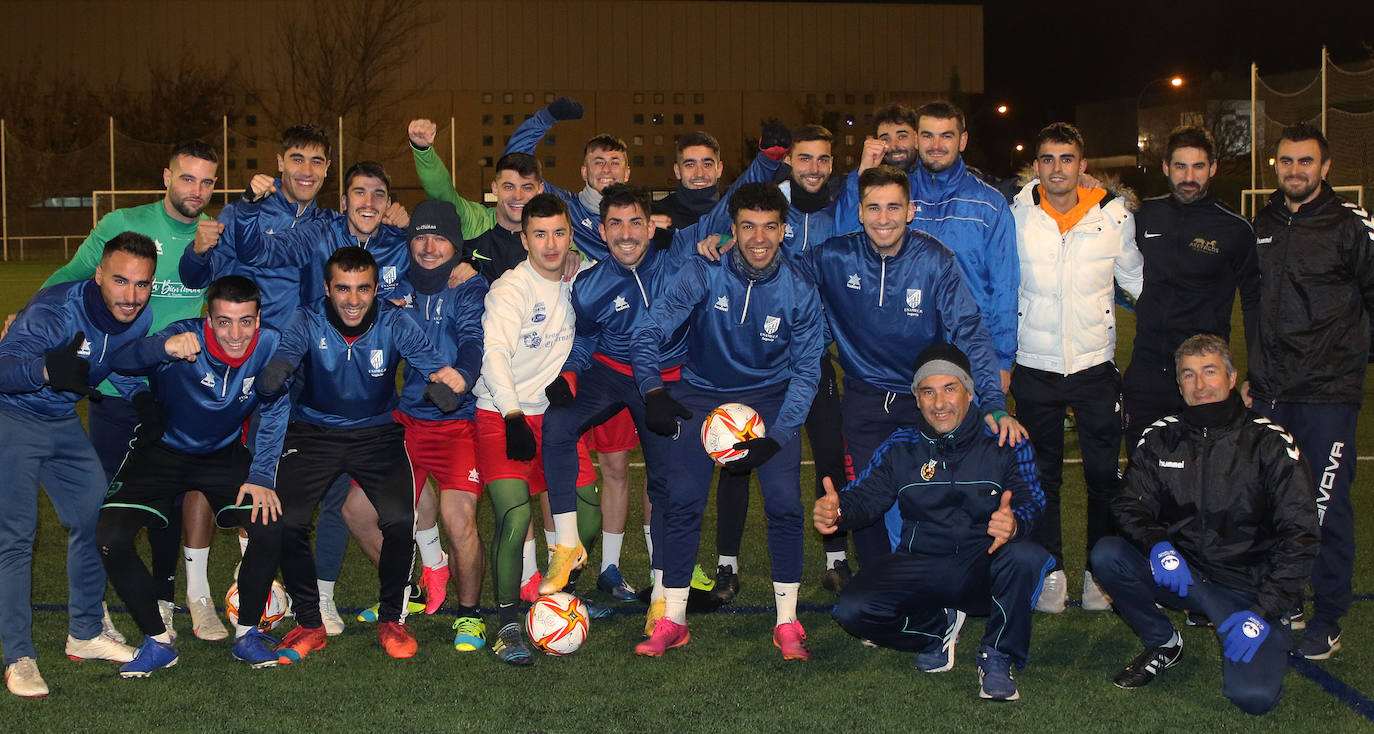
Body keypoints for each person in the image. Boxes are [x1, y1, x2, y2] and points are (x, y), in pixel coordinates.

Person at [631, 183, 825, 660]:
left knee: (784, 505)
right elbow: (649, 330)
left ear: (785, 230)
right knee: (682, 502)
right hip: (702, 393)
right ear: (732, 229)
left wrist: (778, 437)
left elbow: (807, 371)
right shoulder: (703, 270)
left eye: (770, 227)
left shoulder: (799, 290)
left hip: (770, 397)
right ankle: (672, 618)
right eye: (748, 226)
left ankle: (787, 622)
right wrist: (653, 389)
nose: (759, 238)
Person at [798, 165, 1022, 565]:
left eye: (893, 207)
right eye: (874, 208)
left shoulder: (935, 260)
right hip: (864, 400)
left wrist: (992, 401)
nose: (884, 218)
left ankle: (933, 591)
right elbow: (774, 273)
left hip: (923, 403)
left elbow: (969, 329)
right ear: (861, 212)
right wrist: (729, 242)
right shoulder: (833, 257)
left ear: (911, 210)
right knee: (864, 498)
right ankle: (879, 591)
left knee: (923, 500)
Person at [251, 246, 466, 663]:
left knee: (402, 519)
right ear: (328, 289)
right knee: (288, 519)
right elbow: (288, 353)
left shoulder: (394, 320)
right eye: (343, 289)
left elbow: (432, 362)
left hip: (377, 434)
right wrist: (277, 368)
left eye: (363, 289)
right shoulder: (307, 318)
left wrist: (446, 383)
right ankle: (310, 623)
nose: (353, 300)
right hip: (314, 432)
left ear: (374, 289)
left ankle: (393, 619)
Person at [41, 140, 219, 640]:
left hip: (177, 394)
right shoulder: (122, 224)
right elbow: (72, 276)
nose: (197, 191)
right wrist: (29, 317)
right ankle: (93, 612)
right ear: (167, 176)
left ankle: (164, 601)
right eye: (188, 178)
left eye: (207, 182)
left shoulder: (214, 236)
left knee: (169, 500)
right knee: (102, 502)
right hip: (117, 393)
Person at [1092, 334, 1317, 715]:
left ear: (1231, 378)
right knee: (1108, 554)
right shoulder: (1162, 436)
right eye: (1189, 375)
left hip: (1248, 589)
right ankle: (1163, 641)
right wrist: (1158, 545)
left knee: (1254, 699)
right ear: (1179, 385)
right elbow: (1128, 503)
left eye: (1209, 372)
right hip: (1185, 575)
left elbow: (1301, 535)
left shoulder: (1269, 443)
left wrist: (1264, 610)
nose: (1200, 385)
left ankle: (1260, 627)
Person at [233, 160, 410, 634]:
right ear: (344, 197)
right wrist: (248, 205)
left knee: (335, 502)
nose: (368, 203)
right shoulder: (317, 232)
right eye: (358, 193)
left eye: (378, 194)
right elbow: (257, 250)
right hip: (306, 385)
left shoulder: (399, 243)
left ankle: (324, 597)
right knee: (282, 498)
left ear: (388, 201)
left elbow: (419, 296)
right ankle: (267, 581)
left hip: (365, 399)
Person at [174, 123, 335, 642]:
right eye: (296, 159)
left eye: (316, 161)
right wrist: (217, 235)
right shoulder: (249, 211)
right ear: (280, 163)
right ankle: (202, 593)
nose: (306, 170)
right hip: (240, 366)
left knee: (301, 478)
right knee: (209, 467)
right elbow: (202, 274)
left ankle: (281, 583)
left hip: (307, 371)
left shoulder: (332, 222)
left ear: (327, 169)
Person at [821, 344, 1047, 702]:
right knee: (852, 611)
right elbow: (867, 497)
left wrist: (1014, 522)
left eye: (949, 389)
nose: (939, 403)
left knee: (1026, 556)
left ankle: (997, 654)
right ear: (917, 398)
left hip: (982, 567)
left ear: (969, 393)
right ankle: (937, 627)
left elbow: (1033, 500)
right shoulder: (901, 445)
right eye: (928, 392)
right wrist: (839, 511)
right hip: (922, 563)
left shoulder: (1005, 440)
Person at [99, 275, 290, 673]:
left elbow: (273, 410)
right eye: (223, 321)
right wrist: (161, 349)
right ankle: (157, 640)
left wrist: (262, 474)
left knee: (271, 524)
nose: (235, 334)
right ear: (208, 317)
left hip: (221, 454)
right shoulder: (183, 336)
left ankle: (248, 634)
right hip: (162, 450)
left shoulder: (272, 345)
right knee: (110, 538)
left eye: (245, 322)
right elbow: (117, 361)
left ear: (259, 319)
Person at [0, 232, 157, 696]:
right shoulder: (54, 312)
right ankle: (18, 657)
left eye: (142, 284)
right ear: (98, 275)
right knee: (16, 536)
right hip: (12, 417)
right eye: (120, 281)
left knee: (95, 519)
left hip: (61, 420)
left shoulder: (138, 315)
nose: (130, 296)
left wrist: (143, 398)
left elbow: (116, 364)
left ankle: (86, 633)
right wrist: (45, 369)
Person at [697, 123, 850, 597]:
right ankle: (727, 565)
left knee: (829, 457)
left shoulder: (842, 210)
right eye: (805, 158)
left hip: (811, 355)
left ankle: (837, 559)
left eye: (824, 159)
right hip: (756, 360)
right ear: (790, 160)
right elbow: (720, 230)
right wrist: (716, 239)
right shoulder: (764, 203)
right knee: (736, 454)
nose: (814, 168)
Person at [1244, 123, 1374, 659]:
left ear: (1325, 168)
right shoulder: (1263, 223)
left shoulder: (1352, 226)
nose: (1294, 170)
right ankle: (1289, 596)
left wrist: (1350, 365)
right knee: (1276, 503)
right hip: (1272, 391)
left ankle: (1328, 615)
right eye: (1285, 161)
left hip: (1327, 395)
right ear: (1273, 165)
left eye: (1305, 162)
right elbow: (1254, 306)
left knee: (1324, 505)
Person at [334, 200, 489, 649]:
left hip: (458, 423)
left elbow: (475, 340)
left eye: (439, 237)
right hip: (406, 423)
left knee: (457, 518)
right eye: (420, 236)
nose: (428, 246)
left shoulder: (469, 288)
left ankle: (469, 614)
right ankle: (410, 587)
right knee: (356, 511)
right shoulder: (395, 291)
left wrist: (461, 376)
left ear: (456, 245)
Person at [1010, 122, 1142, 613]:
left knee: (1104, 475)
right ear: (1037, 164)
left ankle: (1099, 574)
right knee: (1041, 476)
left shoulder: (1114, 215)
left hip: (1093, 366)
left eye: (1066, 158)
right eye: (1048, 159)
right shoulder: (1018, 212)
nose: (1057, 168)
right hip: (1034, 365)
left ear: (1082, 164)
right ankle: (1051, 571)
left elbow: (1137, 279)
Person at [471, 193, 599, 666]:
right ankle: (507, 622)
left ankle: (552, 591)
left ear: (571, 236)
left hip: (558, 419)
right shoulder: (509, 289)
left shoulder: (580, 278)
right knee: (514, 518)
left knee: (588, 519)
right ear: (523, 239)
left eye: (560, 234)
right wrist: (511, 414)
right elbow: (495, 355)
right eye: (539, 235)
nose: (550, 245)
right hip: (503, 414)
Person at [834, 102, 1019, 391]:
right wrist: (862, 174)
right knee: (911, 436)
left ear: (963, 140)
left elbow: (1005, 287)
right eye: (928, 135)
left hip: (969, 347)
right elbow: (845, 241)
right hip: (905, 350)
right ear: (917, 139)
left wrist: (1003, 359)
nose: (936, 145)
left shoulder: (988, 205)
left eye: (946, 135)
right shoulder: (896, 194)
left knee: (971, 433)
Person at [1123, 125, 1259, 450]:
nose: (1189, 177)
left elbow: (1255, 302)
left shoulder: (1235, 229)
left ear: (1212, 168)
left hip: (1203, 372)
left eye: (1198, 167)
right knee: (1142, 465)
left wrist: (1257, 372)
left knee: (1205, 472)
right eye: (1180, 166)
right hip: (1148, 366)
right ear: (1166, 168)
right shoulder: (1143, 215)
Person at [652, 131, 725, 229]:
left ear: (719, 169)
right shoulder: (656, 217)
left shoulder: (735, 213)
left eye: (707, 165)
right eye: (690, 165)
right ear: (677, 171)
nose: (699, 173)